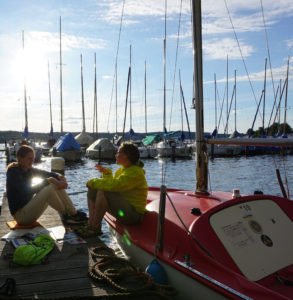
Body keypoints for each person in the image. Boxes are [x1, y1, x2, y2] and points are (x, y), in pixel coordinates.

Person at [77, 142, 148, 237]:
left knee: (103, 189)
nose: (116, 155)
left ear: (128, 155)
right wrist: (107, 173)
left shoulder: (136, 172)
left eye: (118, 152)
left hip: (133, 215)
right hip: (124, 209)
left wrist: (92, 182)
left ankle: (94, 227)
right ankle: (91, 223)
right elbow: (113, 185)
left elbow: (116, 186)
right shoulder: (123, 170)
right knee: (93, 189)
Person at [6, 145, 87, 226]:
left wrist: (61, 178)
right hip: (21, 217)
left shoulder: (29, 170)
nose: (32, 161)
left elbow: (49, 174)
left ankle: (72, 213)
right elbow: (25, 191)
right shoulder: (13, 173)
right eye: (29, 159)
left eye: (33, 159)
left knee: (53, 184)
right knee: (49, 187)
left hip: (28, 210)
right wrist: (50, 180)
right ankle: (69, 215)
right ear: (20, 159)